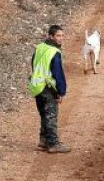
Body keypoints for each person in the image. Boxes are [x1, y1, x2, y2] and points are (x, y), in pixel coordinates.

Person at [28, 24, 70, 153]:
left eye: (62, 35)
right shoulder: (54, 52)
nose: (61, 38)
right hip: (48, 87)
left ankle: (44, 140)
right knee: (51, 115)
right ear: (51, 36)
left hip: (36, 85)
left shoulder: (40, 47)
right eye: (58, 35)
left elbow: (33, 62)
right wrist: (61, 92)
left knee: (43, 114)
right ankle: (53, 144)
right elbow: (58, 74)